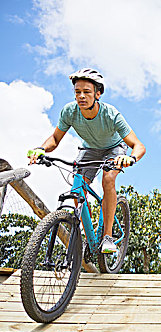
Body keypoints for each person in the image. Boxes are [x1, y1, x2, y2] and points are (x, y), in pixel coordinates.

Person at [27, 68, 146, 254]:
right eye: (77, 92)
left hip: (114, 149)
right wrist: (40, 149)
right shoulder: (69, 112)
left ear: (97, 94)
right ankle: (84, 234)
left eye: (87, 92)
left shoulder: (110, 115)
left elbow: (138, 145)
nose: (81, 96)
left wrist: (129, 158)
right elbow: (55, 139)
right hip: (89, 149)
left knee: (108, 179)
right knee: (76, 187)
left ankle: (107, 236)